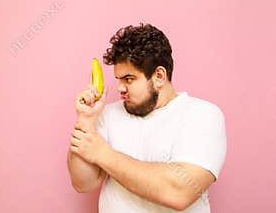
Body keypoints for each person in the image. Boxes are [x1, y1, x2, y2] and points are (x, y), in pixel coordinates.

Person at [67, 23, 227, 213]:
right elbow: (83, 183)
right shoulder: (108, 114)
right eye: (118, 79)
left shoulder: (202, 115)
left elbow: (180, 192)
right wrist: (85, 119)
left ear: (159, 76)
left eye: (129, 79)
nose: (120, 88)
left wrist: (103, 154)